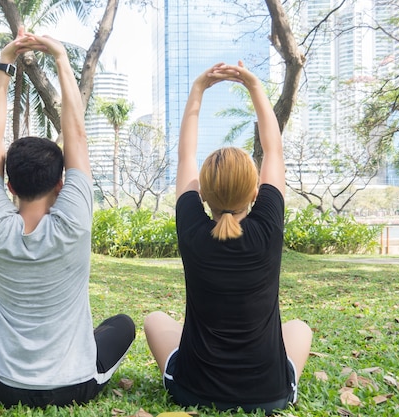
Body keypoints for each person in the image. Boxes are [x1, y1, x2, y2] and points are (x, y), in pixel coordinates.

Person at [0, 28, 135, 408]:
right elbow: (78, 139)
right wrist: (61, 59)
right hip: (78, 386)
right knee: (122, 325)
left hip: (7, 388)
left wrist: (6, 61)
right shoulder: (73, 222)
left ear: (8, 184)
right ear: (60, 182)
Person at [143, 61, 313, 415]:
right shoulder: (267, 226)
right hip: (270, 396)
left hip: (193, 392)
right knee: (299, 328)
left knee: (155, 320)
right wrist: (254, 86)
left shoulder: (192, 229)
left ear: (201, 193)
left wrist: (198, 88)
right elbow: (274, 150)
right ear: (255, 193)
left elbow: (185, 155)